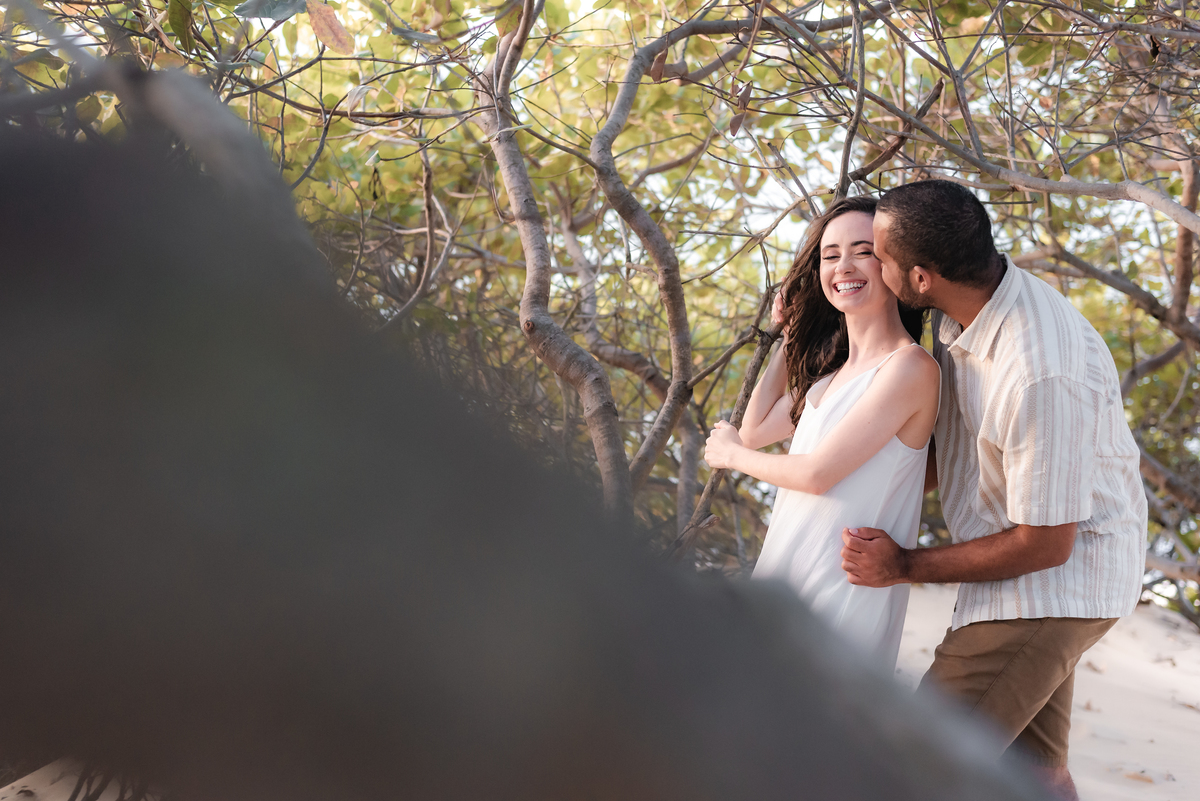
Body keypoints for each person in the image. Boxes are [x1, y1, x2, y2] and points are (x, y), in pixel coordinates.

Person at [840, 180, 1147, 800]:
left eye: (879, 256)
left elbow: (1046, 544)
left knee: (911, 764)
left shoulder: (1038, 371)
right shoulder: (965, 303)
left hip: (1055, 584)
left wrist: (903, 565)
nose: (872, 267)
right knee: (1036, 773)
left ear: (921, 277)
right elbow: (958, 446)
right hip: (1025, 566)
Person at [703, 196, 940, 671]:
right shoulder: (832, 377)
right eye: (830, 256)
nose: (843, 266)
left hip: (841, 596)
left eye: (863, 251)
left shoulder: (909, 367)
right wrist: (789, 332)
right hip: (787, 580)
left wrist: (730, 456)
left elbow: (815, 475)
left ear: (893, 263)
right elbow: (753, 430)